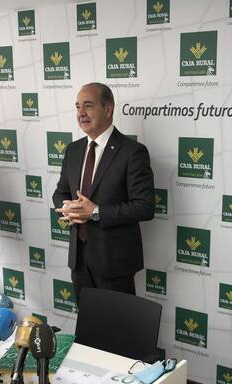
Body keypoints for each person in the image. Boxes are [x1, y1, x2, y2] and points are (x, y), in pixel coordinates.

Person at [52, 82, 154, 301]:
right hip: (79, 259)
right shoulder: (73, 149)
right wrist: (68, 208)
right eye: (77, 106)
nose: (81, 113)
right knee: (87, 321)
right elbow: (60, 193)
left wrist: (95, 212)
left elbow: (144, 206)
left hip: (114, 262)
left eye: (88, 106)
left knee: (118, 322)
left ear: (108, 109)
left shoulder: (133, 152)